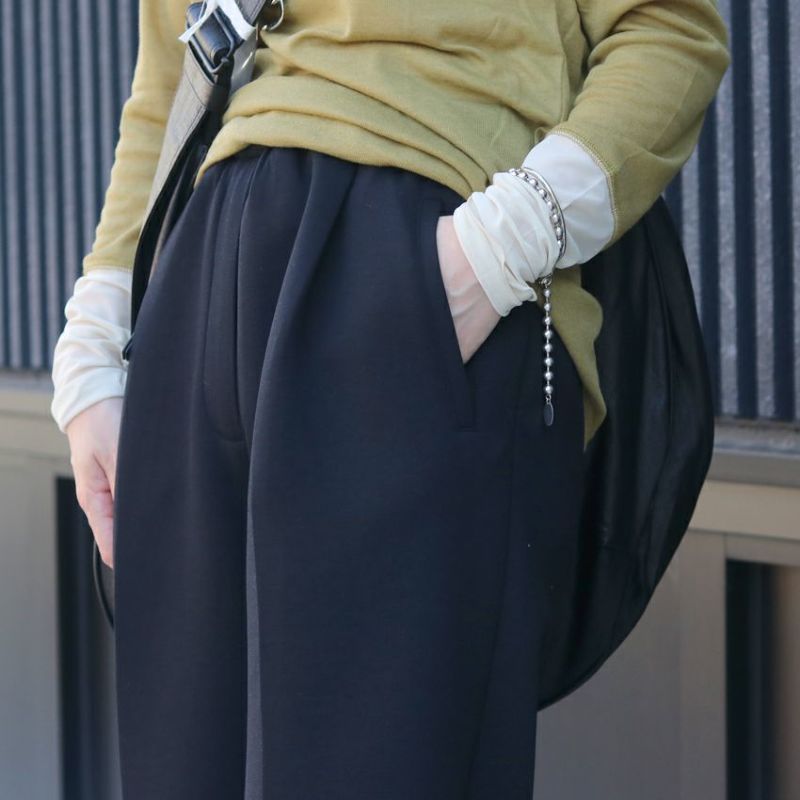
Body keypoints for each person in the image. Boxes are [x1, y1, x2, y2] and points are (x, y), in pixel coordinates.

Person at [50, 1, 730, 797]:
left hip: (424, 266)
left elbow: (669, 31)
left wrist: (499, 246)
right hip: (202, 279)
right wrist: (94, 339)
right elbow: (173, 68)